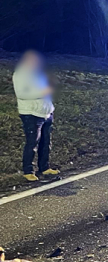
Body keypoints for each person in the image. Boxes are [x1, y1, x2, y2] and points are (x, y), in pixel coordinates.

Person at [13, 51, 59, 182]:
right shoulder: (20, 75)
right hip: (31, 114)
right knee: (32, 143)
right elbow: (22, 94)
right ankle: (28, 171)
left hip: (46, 113)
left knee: (46, 143)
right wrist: (42, 92)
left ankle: (44, 167)